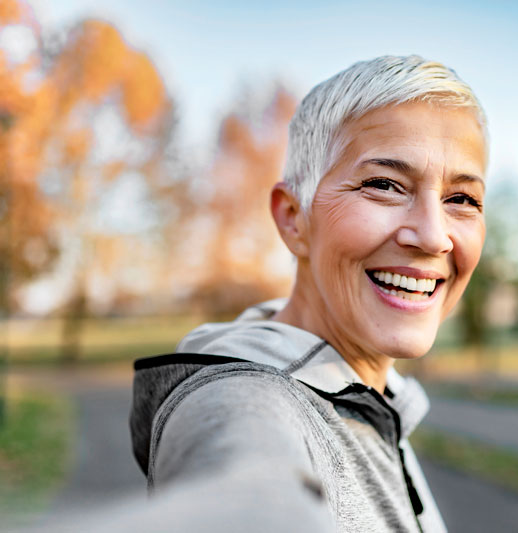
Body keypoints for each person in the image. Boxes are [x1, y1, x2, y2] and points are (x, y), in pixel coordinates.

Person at [129, 55, 488, 532]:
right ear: (294, 219)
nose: (432, 236)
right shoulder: (239, 403)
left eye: (461, 199)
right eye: (383, 185)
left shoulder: (375, 398)